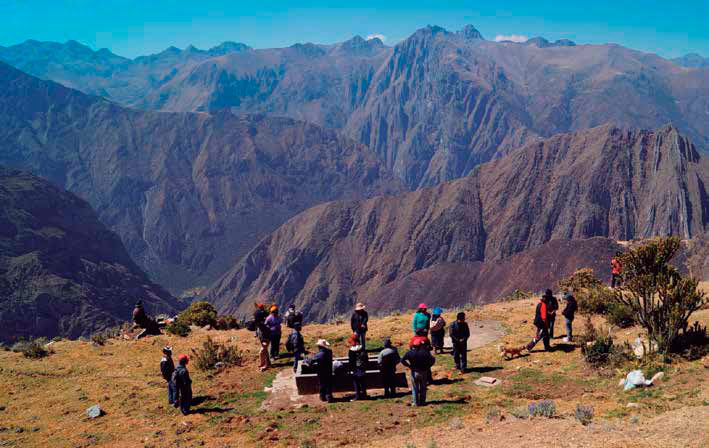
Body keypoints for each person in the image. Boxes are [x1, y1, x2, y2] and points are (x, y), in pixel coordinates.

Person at [401, 338, 435, 406]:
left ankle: (415, 402)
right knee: (423, 388)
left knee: (414, 388)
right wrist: (428, 366)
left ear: (413, 345)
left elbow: (402, 360)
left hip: (414, 372)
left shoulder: (410, 353)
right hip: (423, 372)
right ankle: (422, 402)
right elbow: (433, 359)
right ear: (420, 345)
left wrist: (409, 366)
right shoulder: (425, 352)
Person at [347, 334, 368, 401]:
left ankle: (357, 396)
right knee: (363, 382)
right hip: (362, 367)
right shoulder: (362, 348)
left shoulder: (351, 350)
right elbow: (366, 358)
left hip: (355, 369)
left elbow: (351, 361)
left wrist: (350, 369)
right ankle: (364, 395)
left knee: (356, 382)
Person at [254, 304, 271, 371]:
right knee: (264, 350)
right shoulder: (265, 315)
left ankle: (265, 364)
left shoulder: (261, 327)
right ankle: (265, 363)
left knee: (263, 351)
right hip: (265, 336)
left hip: (264, 337)